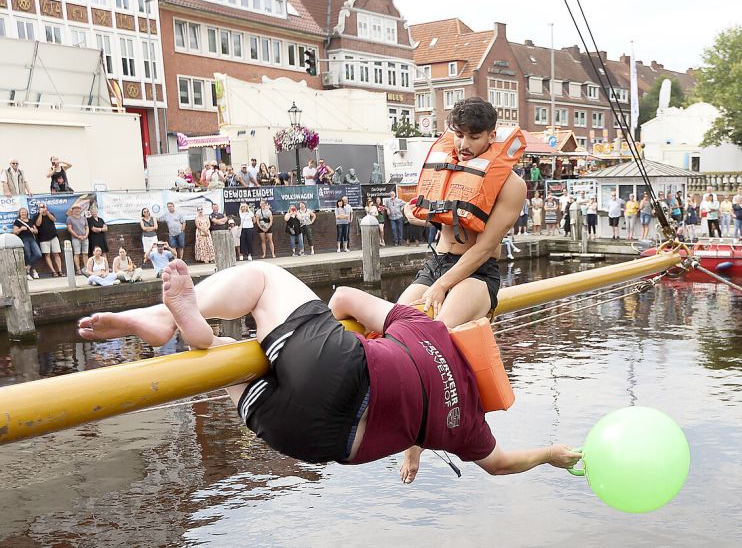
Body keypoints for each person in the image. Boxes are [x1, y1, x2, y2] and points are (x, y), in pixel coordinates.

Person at [77, 260, 582, 478]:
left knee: (263, 281)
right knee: (223, 367)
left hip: (344, 370)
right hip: (316, 442)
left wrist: (381, 320)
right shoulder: (467, 426)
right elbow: (501, 465)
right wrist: (552, 454)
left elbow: (342, 298)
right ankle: (199, 337)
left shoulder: (429, 332)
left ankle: (171, 319)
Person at [400, 97, 526, 327]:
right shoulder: (451, 170)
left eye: (474, 137)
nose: (464, 145)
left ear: (491, 136)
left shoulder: (512, 185)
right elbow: (456, 219)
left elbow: (484, 247)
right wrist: (418, 218)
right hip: (437, 264)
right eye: (459, 135)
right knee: (396, 325)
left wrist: (442, 285)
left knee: (436, 332)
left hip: (476, 272)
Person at [12, 207, 41, 280]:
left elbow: (36, 231)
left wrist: (33, 230)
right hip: (23, 239)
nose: (23, 213)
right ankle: (31, 273)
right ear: (19, 213)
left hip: (32, 239)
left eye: (25, 212)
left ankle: (27, 268)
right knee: (28, 255)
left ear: (27, 213)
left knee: (38, 254)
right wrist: (21, 229)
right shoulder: (17, 221)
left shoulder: (31, 220)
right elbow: (15, 232)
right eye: (22, 212)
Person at [66, 205, 89, 274]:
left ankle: (86, 268)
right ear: (72, 210)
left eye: (78, 209)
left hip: (85, 238)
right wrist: (77, 236)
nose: (77, 210)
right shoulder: (69, 218)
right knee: (77, 254)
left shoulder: (84, 218)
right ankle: (78, 269)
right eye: (75, 209)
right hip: (75, 239)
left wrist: (86, 235)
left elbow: (87, 228)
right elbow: (69, 229)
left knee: (85, 253)